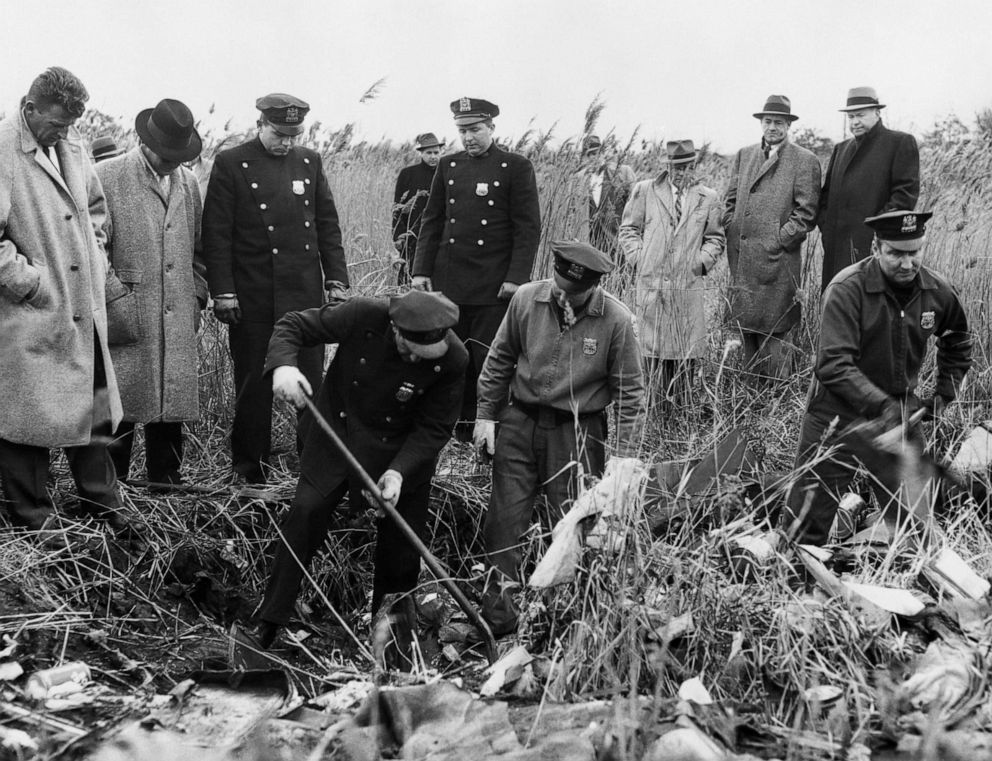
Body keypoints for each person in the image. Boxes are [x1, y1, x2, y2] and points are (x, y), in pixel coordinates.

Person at [251, 290, 467, 652]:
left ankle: (392, 644)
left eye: (423, 356)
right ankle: (268, 624)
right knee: (304, 516)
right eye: (408, 348)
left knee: (401, 552)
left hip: (400, 453)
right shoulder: (365, 314)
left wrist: (399, 473)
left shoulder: (455, 359)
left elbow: (434, 428)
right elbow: (292, 326)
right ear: (395, 328)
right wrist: (284, 367)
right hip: (337, 434)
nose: (413, 358)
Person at [473, 241, 645, 635]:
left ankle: (568, 622)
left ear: (594, 288)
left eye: (574, 294)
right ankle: (498, 621)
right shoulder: (526, 300)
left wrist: (624, 461)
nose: (563, 298)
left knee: (572, 526)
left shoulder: (616, 321)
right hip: (519, 423)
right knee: (504, 523)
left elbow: (631, 394)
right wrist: (485, 416)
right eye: (559, 288)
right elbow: (499, 358)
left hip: (578, 434)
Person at [784, 211, 972, 545]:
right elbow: (833, 365)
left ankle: (908, 589)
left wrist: (943, 394)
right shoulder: (847, 289)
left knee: (914, 527)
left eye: (914, 252)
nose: (906, 263)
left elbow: (957, 341)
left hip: (900, 416)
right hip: (835, 415)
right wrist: (881, 405)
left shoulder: (937, 291)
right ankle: (801, 587)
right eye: (896, 253)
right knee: (806, 524)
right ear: (876, 247)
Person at [0, 67, 126, 531]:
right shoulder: (2, 149)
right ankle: (34, 517)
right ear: (30, 108)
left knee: (93, 408)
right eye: (55, 123)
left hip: (82, 308)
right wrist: (31, 283)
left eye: (71, 124)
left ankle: (104, 505)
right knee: (25, 416)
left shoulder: (72, 147)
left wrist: (92, 247)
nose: (64, 133)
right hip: (31, 311)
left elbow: (95, 207)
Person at [202, 93, 350, 484]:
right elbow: (216, 234)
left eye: (293, 134)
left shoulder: (309, 161)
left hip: (303, 296)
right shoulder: (232, 163)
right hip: (253, 296)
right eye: (279, 134)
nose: (286, 142)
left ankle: (315, 468)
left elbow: (326, 226)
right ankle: (250, 470)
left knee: (312, 384)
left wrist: (336, 280)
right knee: (254, 385)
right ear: (260, 126)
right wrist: (223, 291)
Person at [412, 97, 541, 439]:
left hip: (492, 285)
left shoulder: (515, 166)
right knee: (453, 361)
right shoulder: (449, 166)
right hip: (450, 283)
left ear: (491, 128)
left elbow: (527, 228)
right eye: (462, 131)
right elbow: (432, 219)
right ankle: (455, 430)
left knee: (488, 361)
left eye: (475, 129)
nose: (468, 137)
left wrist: (516, 278)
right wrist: (421, 270)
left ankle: (490, 432)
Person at [97, 99, 208, 485]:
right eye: (165, 154)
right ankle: (111, 489)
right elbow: (94, 250)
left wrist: (195, 297)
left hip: (177, 311)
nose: (171, 162)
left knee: (171, 400)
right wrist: (116, 299)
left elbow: (199, 251)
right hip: (125, 310)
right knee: (120, 401)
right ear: (143, 141)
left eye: (178, 156)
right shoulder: (106, 176)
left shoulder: (189, 183)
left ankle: (165, 481)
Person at [723, 95, 821, 380]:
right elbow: (731, 199)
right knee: (747, 330)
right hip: (742, 260)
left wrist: (779, 239)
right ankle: (750, 393)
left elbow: (806, 214)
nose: (772, 127)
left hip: (778, 261)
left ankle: (775, 395)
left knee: (776, 329)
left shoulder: (804, 160)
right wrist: (731, 226)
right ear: (761, 124)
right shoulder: (744, 154)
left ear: (789, 125)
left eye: (779, 122)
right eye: (767, 121)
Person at [619, 140, 724, 401]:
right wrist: (639, 258)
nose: (681, 171)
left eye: (687, 166)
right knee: (651, 361)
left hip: (686, 290)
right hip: (652, 290)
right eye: (676, 166)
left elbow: (716, 238)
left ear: (694, 165)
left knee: (685, 361)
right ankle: (654, 422)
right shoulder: (645, 190)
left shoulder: (707, 197)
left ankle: (680, 421)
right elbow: (628, 229)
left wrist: (700, 262)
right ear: (667, 166)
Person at [817, 87, 920, 293]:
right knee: (837, 305)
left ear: (877, 113)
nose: (855, 121)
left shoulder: (899, 142)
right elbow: (826, 197)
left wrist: (876, 233)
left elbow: (905, 195)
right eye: (851, 116)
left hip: (874, 249)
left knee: (870, 308)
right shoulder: (841, 148)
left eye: (861, 115)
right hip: (836, 249)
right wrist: (827, 229)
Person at [391, 132, 444, 285]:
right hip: (411, 232)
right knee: (408, 271)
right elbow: (397, 207)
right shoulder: (407, 174)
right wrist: (397, 235)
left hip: (438, 233)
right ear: (421, 153)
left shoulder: (445, 172)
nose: (433, 156)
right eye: (429, 153)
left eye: (436, 152)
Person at [582, 135, 636, 261]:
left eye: (598, 152)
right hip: (592, 247)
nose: (595, 157)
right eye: (591, 154)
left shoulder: (623, 173)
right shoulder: (580, 181)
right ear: (585, 157)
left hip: (618, 244)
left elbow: (635, 208)